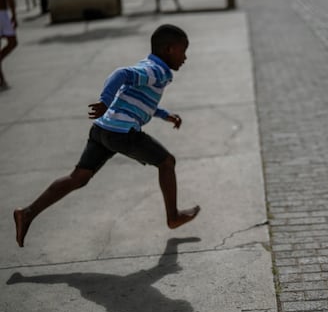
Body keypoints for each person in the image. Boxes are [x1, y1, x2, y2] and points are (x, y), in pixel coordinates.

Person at [13, 24, 200, 248]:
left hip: (102, 129)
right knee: (167, 162)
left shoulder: (149, 66)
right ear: (169, 49)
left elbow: (139, 99)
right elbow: (121, 74)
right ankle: (173, 216)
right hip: (122, 133)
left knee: (78, 178)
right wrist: (104, 99)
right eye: (183, 51)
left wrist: (164, 114)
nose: (185, 57)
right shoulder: (156, 71)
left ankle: (27, 213)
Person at [0, 0, 17, 91]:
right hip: (3, 14)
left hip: (3, 14)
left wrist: (14, 15)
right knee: (12, 42)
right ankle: (2, 80)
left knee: (12, 42)